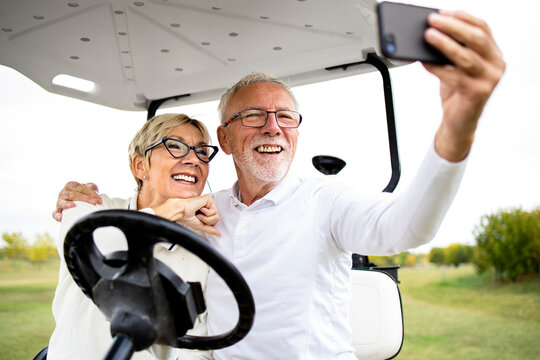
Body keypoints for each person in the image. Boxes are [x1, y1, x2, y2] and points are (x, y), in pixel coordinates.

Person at [53, 10, 505, 360]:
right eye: (254, 116)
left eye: (284, 117)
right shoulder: (195, 214)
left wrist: (457, 127)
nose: (272, 127)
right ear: (226, 139)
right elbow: (104, 234)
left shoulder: (325, 200)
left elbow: (406, 228)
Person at [48, 113, 219, 360]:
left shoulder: (202, 250)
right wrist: (173, 212)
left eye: (202, 152)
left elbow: (197, 348)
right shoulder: (89, 207)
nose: (194, 159)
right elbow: (99, 251)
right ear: (140, 166)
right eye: (175, 146)